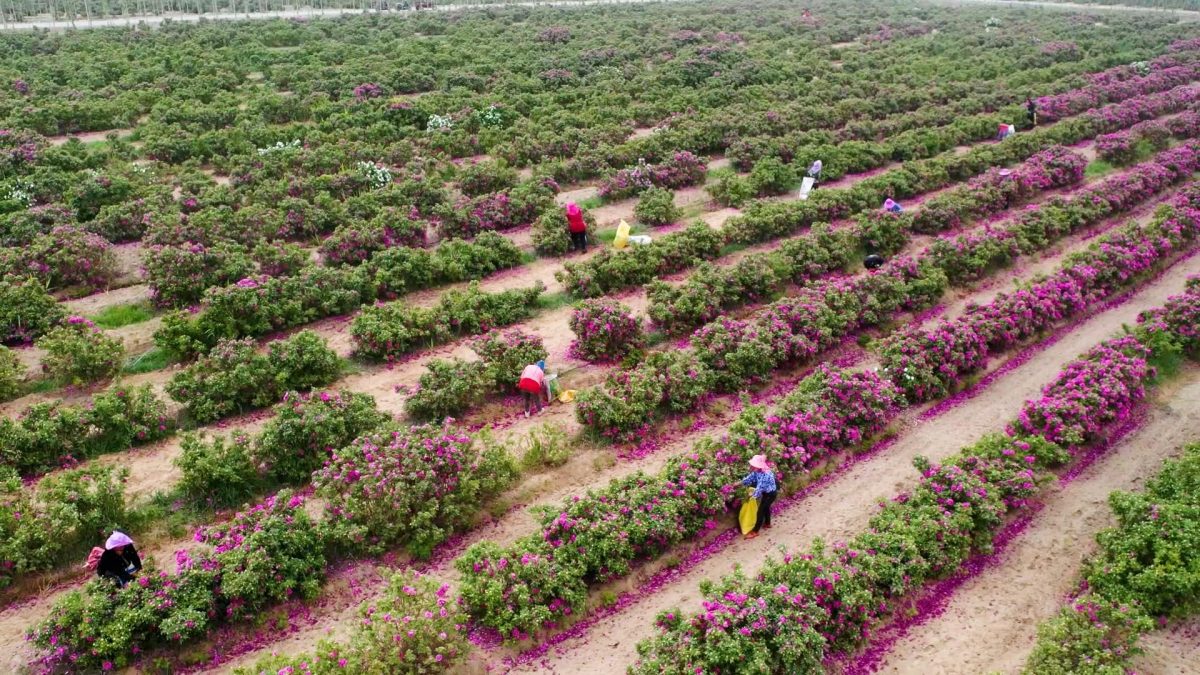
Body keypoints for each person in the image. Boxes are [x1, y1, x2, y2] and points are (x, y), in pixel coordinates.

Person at [740, 455, 778, 540]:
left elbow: (759, 488)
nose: (752, 466)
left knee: (760, 511)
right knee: (766, 507)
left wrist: (752, 497)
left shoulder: (766, 474)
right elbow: (749, 478)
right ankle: (768, 524)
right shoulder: (757, 471)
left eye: (754, 465)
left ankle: (755, 532)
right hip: (766, 493)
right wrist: (739, 483)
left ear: (759, 465)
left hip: (771, 494)